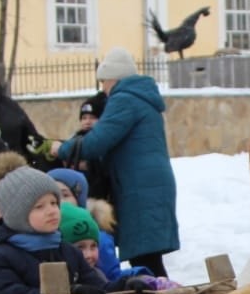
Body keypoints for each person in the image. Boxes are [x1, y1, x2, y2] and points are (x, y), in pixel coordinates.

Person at [56, 47, 180, 278]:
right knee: (149, 258)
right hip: (149, 186)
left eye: (103, 82)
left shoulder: (124, 99)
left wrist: (61, 148)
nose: (103, 89)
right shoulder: (142, 98)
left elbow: (98, 141)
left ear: (112, 78)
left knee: (145, 259)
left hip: (140, 189)